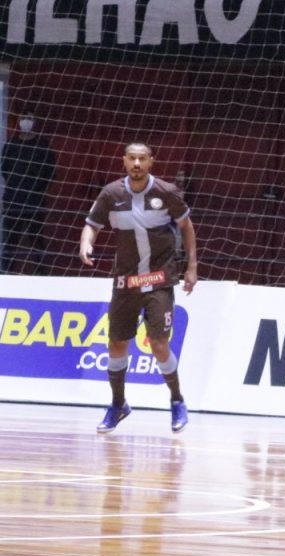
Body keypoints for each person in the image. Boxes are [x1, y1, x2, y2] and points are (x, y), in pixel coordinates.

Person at [79, 143, 198, 433]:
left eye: (141, 159)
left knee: (158, 345)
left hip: (159, 281)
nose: (136, 163)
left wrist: (192, 267)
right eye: (131, 158)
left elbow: (187, 227)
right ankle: (118, 405)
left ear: (150, 162)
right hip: (125, 283)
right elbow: (92, 224)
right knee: (117, 344)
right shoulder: (111, 194)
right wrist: (86, 241)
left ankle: (177, 401)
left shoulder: (166, 192)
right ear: (124, 162)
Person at [1, 110, 56, 274]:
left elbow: (50, 172)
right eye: (23, 118)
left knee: (37, 240)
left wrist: (37, 189)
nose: (26, 121)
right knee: (11, 240)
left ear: (35, 121)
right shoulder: (11, 144)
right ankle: (5, 274)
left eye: (30, 118)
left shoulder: (42, 146)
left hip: (35, 200)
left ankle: (42, 275)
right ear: (18, 121)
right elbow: (4, 168)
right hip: (13, 200)